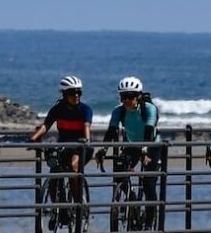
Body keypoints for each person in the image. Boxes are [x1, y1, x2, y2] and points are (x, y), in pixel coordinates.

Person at [95, 76, 161, 220]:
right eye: (123, 96)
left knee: (149, 185)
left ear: (139, 96)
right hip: (132, 145)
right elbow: (111, 132)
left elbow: (149, 131)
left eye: (130, 96)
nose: (126, 100)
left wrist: (145, 151)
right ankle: (133, 200)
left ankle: (149, 223)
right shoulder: (118, 111)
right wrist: (103, 150)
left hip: (152, 146)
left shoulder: (149, 109)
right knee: (119, 173)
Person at [30, 75, 93, 209]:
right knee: (54, 177)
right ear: (64, 94)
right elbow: (46, 126)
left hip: (81, 147)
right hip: (64, 147)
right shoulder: (57, 109)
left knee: (73, 167)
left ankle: (78, 206)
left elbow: (87, 126)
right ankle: (61, 211)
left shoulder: (85, 110)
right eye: (72, 93)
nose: (76, 96)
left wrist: (86, 140)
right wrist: (34, 138)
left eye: (79, 92)